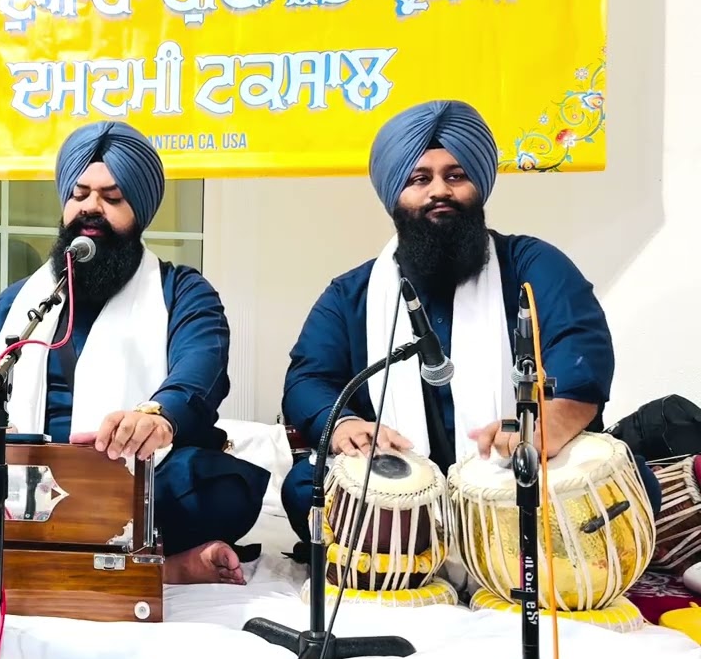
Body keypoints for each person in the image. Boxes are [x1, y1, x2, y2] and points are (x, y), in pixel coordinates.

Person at [280, 100, 662, 549]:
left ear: (477, 186)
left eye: (455, 176)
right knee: (304, 488)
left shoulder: (530, 265)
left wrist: (545, 428)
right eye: (420, 178)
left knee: (635, 481)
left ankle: (449, 543)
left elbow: (581, 347)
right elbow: (308, 378)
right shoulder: (353, 293)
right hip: (402, 475)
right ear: (394, 196)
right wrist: (341, 422)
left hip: (516, 467)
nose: (439, 190)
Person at [0, 121, 270, 585]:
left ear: (139, 211)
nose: (90, 209)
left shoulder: (182, 292)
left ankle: (52, 557)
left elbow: (201, 375)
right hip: (25, 478)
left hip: (130, 478)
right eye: (79, 195)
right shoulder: (21, 302)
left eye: (112, 198)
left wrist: (156, 417)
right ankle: (158, 566)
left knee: (219, 486)